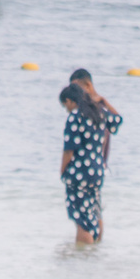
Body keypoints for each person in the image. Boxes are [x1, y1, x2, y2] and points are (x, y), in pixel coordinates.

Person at [57, 68, 123, 245]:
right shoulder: (98, 112)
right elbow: (117, 120)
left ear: (71, 101)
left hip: (79, 173)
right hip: (97, 171)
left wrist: (63, 171)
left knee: (81, 218)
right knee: (94, 210)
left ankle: (83, 258)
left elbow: (69, 150)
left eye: (66, 105)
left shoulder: (75, 118)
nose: (67, 109)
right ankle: (95, 255)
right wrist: (104, 101)